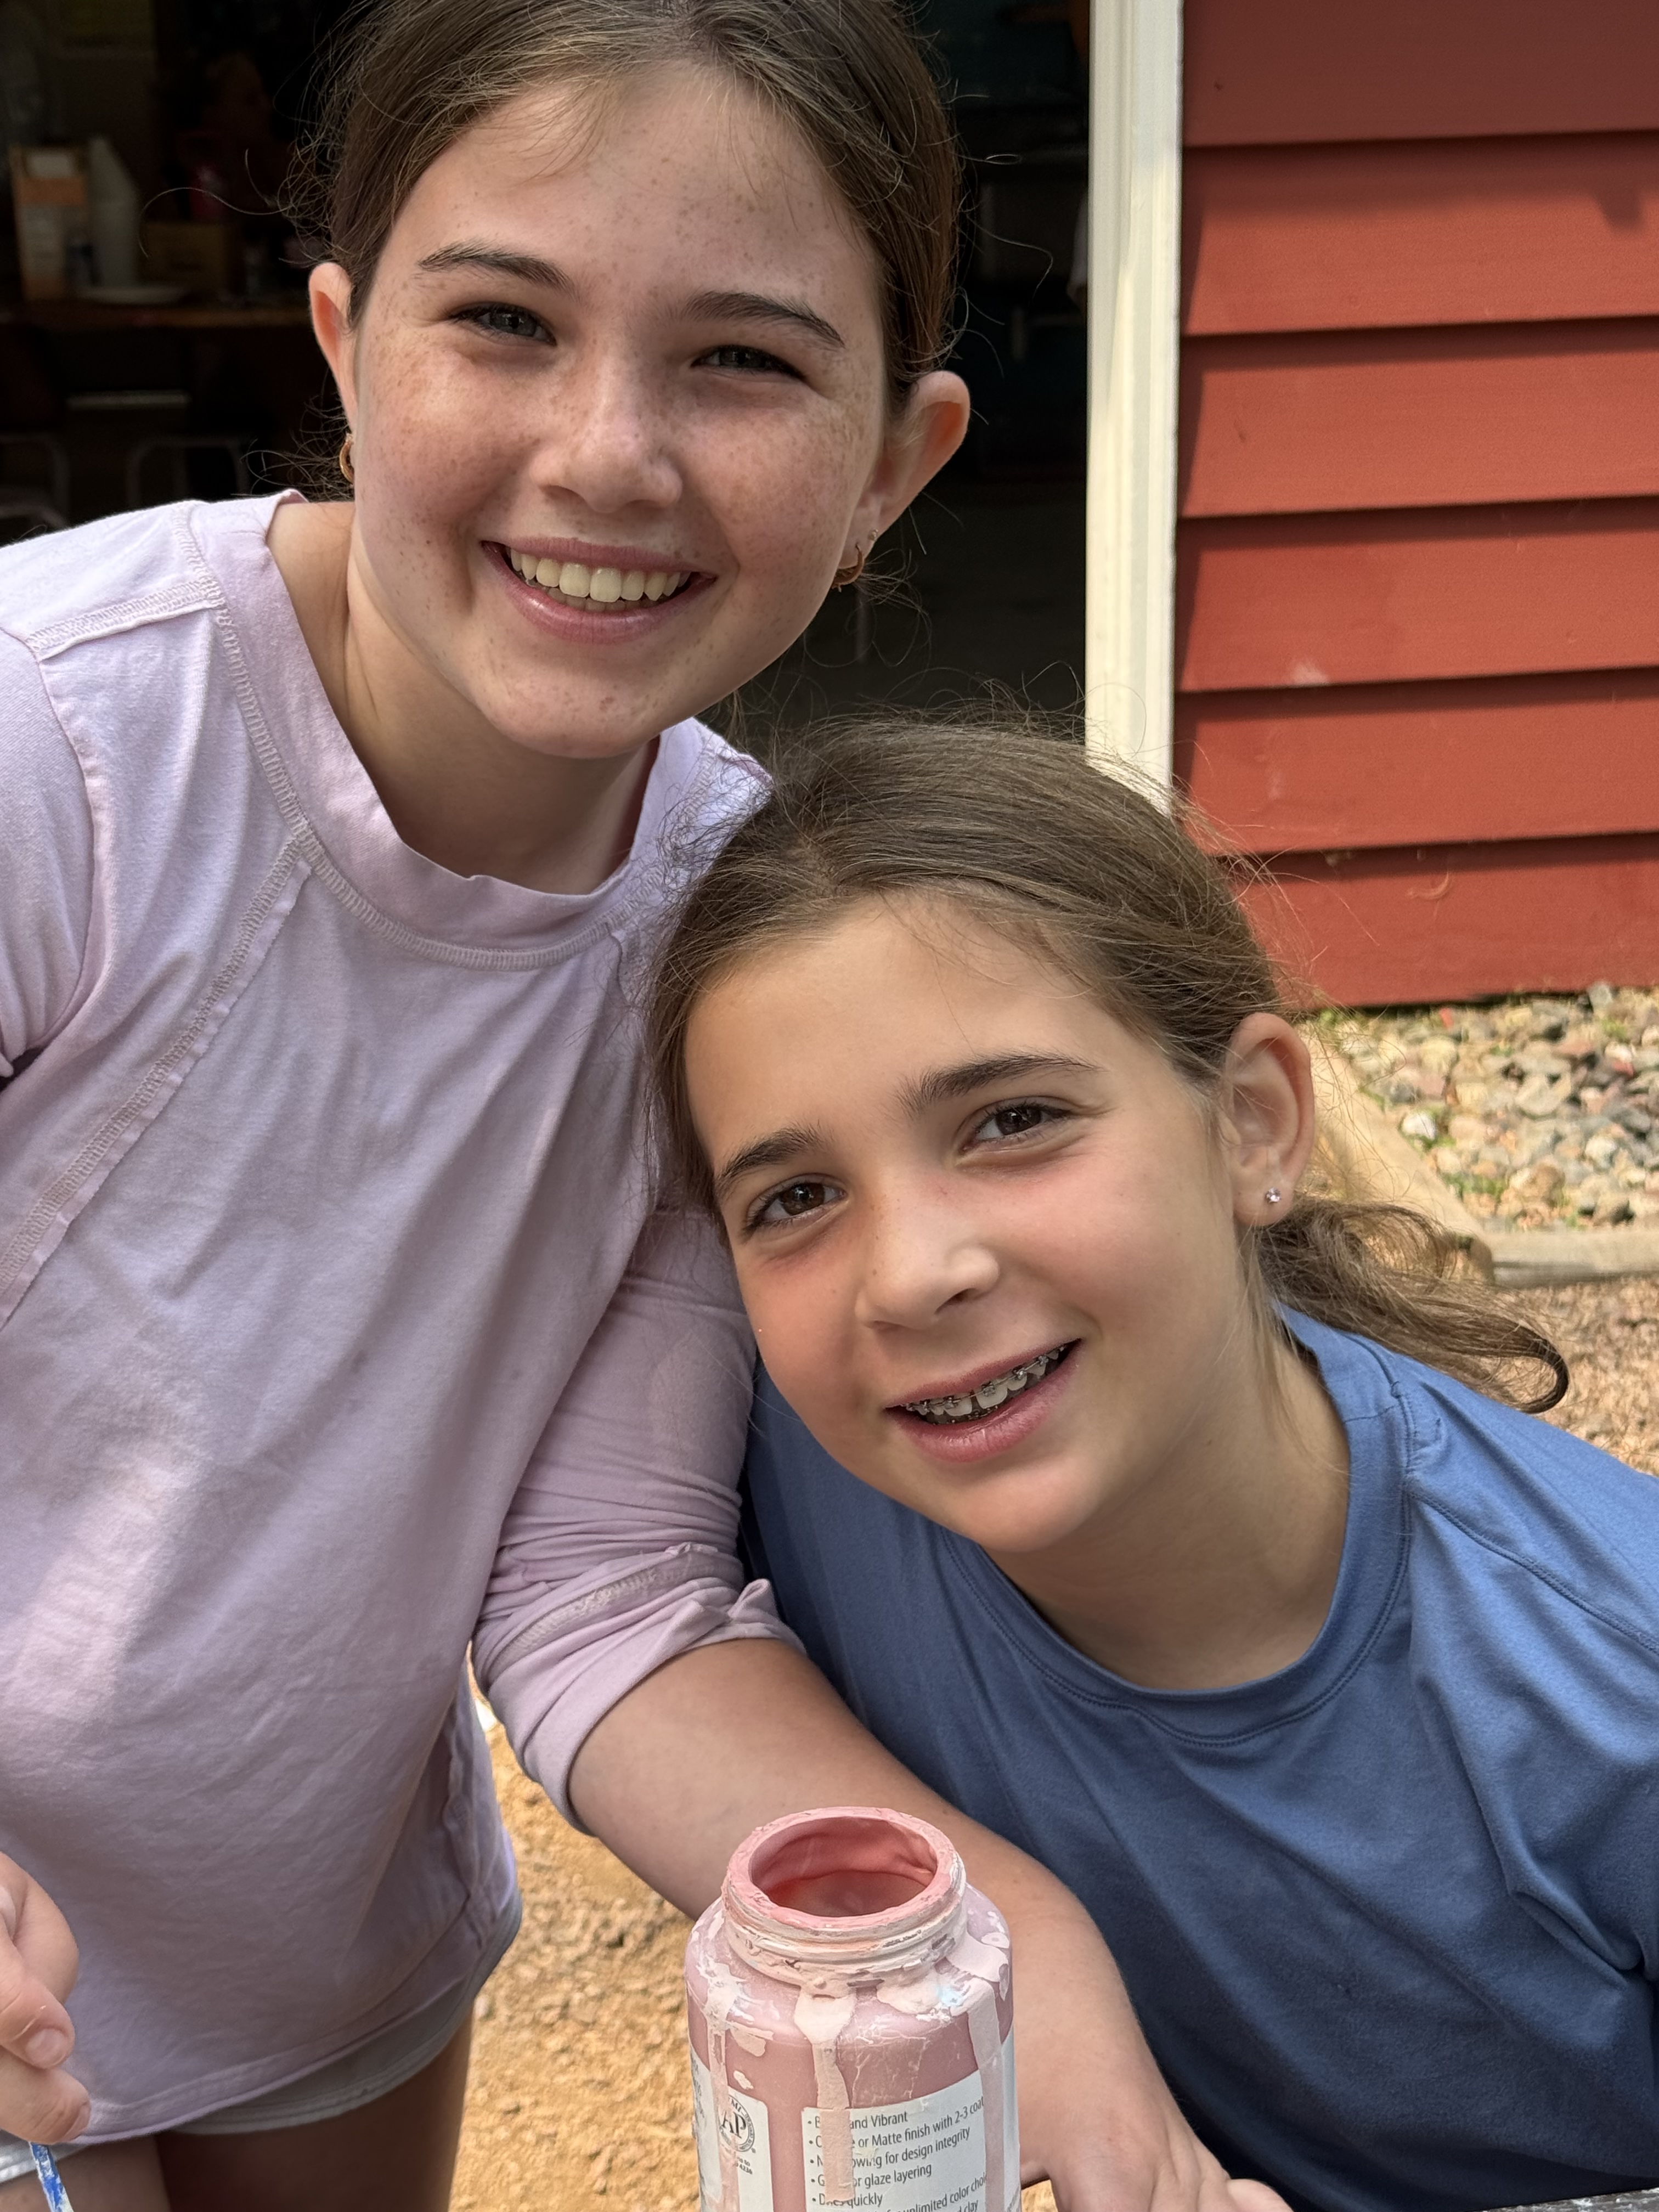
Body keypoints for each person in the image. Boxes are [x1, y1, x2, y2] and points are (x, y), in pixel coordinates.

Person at [0, 6, 1293, 2210]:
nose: (608, 454)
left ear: (895, 462)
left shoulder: (738, 951)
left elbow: (607, 1589)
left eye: (745, 362)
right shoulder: (61, 748)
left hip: (331, 1972)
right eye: (504, 321)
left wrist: (1016, 1951)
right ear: (345, 343)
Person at [650, 714, 1659, 2212]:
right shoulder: (803, 1465)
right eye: (796, 1197)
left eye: (1013, 1121)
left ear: (1253, 1125)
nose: (911, 1275)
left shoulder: (1611, 1690)